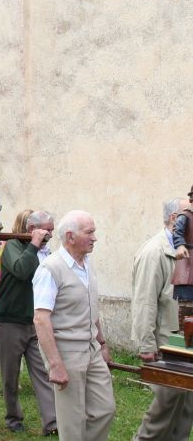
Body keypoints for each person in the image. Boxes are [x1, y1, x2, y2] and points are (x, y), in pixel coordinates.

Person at [32, 210, 115, 440]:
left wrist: (102, 343)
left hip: (91, 348)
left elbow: (91, 307)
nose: (95, 237)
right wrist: (55, 363)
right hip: (66, 352)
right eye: (89, 232)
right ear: (70, 236)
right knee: (72, 420)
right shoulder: (50, 269)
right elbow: (41, 319)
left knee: (104, 409)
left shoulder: (86, 264)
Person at [131, 198, 193, 441]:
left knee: (185, 412)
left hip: (185, 346)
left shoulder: (187, 248)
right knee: (162, 414)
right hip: (166, 346)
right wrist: (146, 346)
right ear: (174, 219)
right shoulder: (154, 252)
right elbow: (144, 302)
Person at [0, 211, 57, 435]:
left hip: (35, 322)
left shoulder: (46, 252)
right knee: (10, 375)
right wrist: (33, 246)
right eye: (46, 229)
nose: (50, 233)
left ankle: (52, 422)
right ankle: (13, 419)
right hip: (10, 320)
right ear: (32, 230)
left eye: (52, 229)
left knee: (42, 372)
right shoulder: (12, 246)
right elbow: (21, 270)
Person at [172, 184, 193, 329]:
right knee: (187, 305)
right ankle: (187, 336)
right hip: (189, 263)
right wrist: (180, 245)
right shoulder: (185, 216)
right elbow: (177, 232)